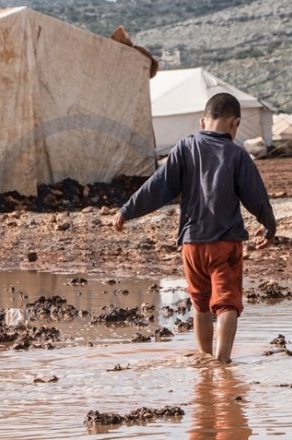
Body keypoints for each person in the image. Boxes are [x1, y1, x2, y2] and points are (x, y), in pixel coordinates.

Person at [113, 93, 276, 364]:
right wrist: (269, 226)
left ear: (203, 121)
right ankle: (222, 365)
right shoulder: (237, 154)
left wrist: (127, 210)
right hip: (225, 245)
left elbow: (157, 186)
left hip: (191, 245)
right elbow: (255, 196)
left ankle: (204, 360)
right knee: (227, 305)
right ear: (235, 123)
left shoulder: (184, 148)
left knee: (200, 305)